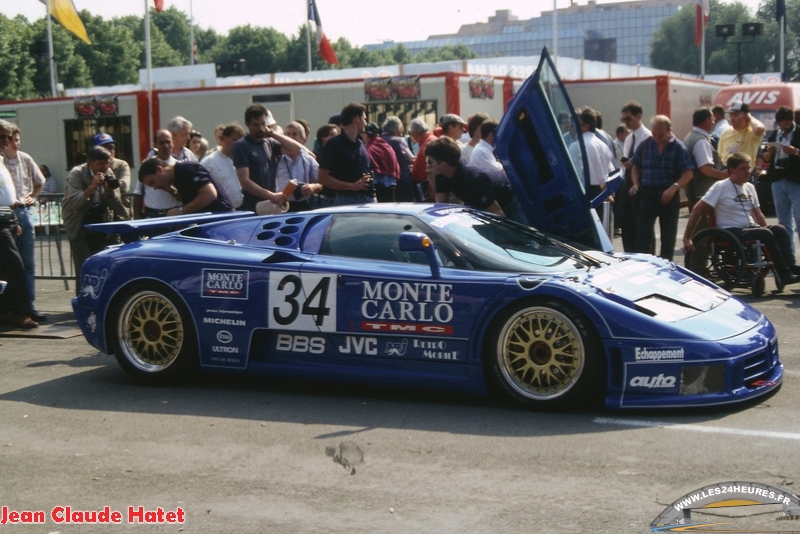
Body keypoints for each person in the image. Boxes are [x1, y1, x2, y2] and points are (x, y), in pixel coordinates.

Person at [683, 152, 800, 285]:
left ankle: (790, 266)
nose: (747, 172)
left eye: (748, 168)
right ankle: (783, 273)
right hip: (729, 231)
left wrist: (769, 230)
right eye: (743, 169)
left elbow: (758, 213)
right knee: (764, 233)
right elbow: (698, 208)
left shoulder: (750, 187)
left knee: (779, 229)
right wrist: (687, 237)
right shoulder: (720, 186)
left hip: (748, 228)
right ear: (732, 170)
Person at [62, 146, 128, 290]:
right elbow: (73, 203)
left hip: (100, 221)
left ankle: (98, 301)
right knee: (85, 264)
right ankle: (83, 302)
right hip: (78, 222)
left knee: (101, 263)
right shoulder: (77, 174)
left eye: (107, 163)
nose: (105, 167)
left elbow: (116, 204)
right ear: (90, 162)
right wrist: (91, 187)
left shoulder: (109, 172)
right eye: (101, 163)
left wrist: (110, 193)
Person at [425, 136, 528, 225]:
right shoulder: (442, 173)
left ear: (444, 165)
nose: (428, 166)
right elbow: (441, 207)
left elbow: (498, 215)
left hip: (509, 202)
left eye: (430, 162)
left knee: (523, 239)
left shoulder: (473, 179)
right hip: (481, 204)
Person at [630, 115, 693, 261]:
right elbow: (635, 166)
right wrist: (636, 183)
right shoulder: (646, 144)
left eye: (661, 135)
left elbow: (689, 173)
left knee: (668, 237)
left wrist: (674, 188)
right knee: (643, 236)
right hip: (647, 193)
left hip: (668, 195)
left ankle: (666, 268)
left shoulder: (678, 147)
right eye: (654, 134)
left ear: (669, 131)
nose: (657, 138)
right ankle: (643, 266)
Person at [3, 123, 46, 322]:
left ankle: (28, 306)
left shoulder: (25, 159)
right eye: (7, 139)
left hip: (20, 212)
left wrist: (33, 197)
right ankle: (15, 309)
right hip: (6, 214)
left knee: (26, 263)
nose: (12, 143)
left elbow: (40, 180)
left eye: (12, 138)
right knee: (13, 264)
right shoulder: (2, 161)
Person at [233, 104, 304, 212]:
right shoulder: (242, 146)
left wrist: (271, 133)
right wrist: (271, 195)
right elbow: (245, 180)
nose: (261, 129)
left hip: (271, 203)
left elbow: (296, 148)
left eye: (263, 124)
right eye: (256, 125)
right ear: (247, 124)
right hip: (253, 205)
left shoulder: (269, 143)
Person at [318, 102, 375, 206]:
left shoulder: (360, 143)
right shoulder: (334, 144)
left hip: (368, 200)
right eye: (364, 119)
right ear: (356, 119)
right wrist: (351, 186)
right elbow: (322, 177)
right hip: (347, 201)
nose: (366, 123)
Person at [762, 105, 800, 255]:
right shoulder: (775, 135)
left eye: (786, 123)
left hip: (796, 180)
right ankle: (788, 256)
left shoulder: (798, 133)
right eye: (780, 124)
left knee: (799, 218)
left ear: (791, 120)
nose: (783, 127)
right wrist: (770, 152)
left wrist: (795, 151)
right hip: (778, 180)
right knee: (784, 222)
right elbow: (764, 158)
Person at [138, 158, 234, 215]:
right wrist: (172, 191)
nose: (155, 187)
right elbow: (193, 197)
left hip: (224, 219)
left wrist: (180, 211)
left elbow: (209, 194)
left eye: (152, 182)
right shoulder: (177, 178)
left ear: (159, 169)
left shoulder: (187, 169)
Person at [568, 107, 615, 220]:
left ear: (586, 126)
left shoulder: (576, 146)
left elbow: (578, 177)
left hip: (585, 194)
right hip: (602, 193)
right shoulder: (603, 145)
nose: (572, 127)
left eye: (575, 124)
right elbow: (611, 171)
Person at [618, 100, 651, 253]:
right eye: (623, 119)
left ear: (638, 116)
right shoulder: (629, 138)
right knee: (627, 225)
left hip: (642, 183)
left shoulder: (647, 137)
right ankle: (629, 254)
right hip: (627, 182)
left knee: (642, 226)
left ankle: (646, 255)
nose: (626, 123)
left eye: (628, 119)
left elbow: (650, 162)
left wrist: (635, 164)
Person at [684, 107, 728, 215]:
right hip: (702, 194)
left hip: (695, 193)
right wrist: (724, 175)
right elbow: (705, 168)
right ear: (707, 120)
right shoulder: (701, 141)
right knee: (705, 228)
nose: (714, 122)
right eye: (712, 119)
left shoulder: (690, 137)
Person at [132, 129, 182, 218]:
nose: (166, 146)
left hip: (174, 214)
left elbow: (185, 198)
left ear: (173, 143)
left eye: (168, 142)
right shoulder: (147, 165)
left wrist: (171, 190)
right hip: (152, 214)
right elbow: (138, 193)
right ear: (155, 145)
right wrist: (136, 216)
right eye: (161, 143)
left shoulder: (179, 166)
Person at [275, 121, 321, 212]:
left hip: (303, 205)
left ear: (303, 139)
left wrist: (313, 187)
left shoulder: (309, 159)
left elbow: (322, 182)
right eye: (287, 134)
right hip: (280, 205)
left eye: (294, 134)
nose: (290, 137)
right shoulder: (275, 158)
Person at [201, 123, 245, 209]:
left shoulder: (246, 159)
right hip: (222, 211)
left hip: (247, 208)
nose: (238, 144)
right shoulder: (209, 162)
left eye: (240, 141)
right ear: (223, 139)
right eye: (234, 140)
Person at [92, 133, 131, 221]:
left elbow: (124, 185)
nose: (109, 150)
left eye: (111, 147)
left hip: (121, 209)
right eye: (105, 148)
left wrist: (109, 186)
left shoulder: (121, 165)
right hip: (101, 212)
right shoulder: (92, 166)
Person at [717, 101, 766, 166]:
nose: (732, 120)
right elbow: (719, 156)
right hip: (726, 171)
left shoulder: (751, 132)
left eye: (735, 116)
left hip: (745, 173)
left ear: (745, 116)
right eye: (730, 116)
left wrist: (750, 118)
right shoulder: (725, 133)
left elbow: (759, 128)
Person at [381, 116, 415, 202]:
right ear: (397, 129)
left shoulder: (379, 140)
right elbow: (411, 159)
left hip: (383, 181)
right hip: (401, 180)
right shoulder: (398, 141)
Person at [363, 122, 400, 202]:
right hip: (391, 184)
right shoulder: (387, 146)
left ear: (366, 135)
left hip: (378, 187)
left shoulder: (368, 149)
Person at [408, 118, 436, 201]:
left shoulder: (429, 142)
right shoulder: (427, 141)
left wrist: (432, 188)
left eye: (412, 134)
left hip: (427, 188)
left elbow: (432, 167)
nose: (412, 137)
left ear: (416, 132)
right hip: (423, 185)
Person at [313, 123, 340, 208]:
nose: (336, 137)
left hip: (338, 197)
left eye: (337, 135)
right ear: (323, 138)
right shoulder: (316, 156)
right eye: (333, 135)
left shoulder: (341, 154)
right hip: (323, 200)